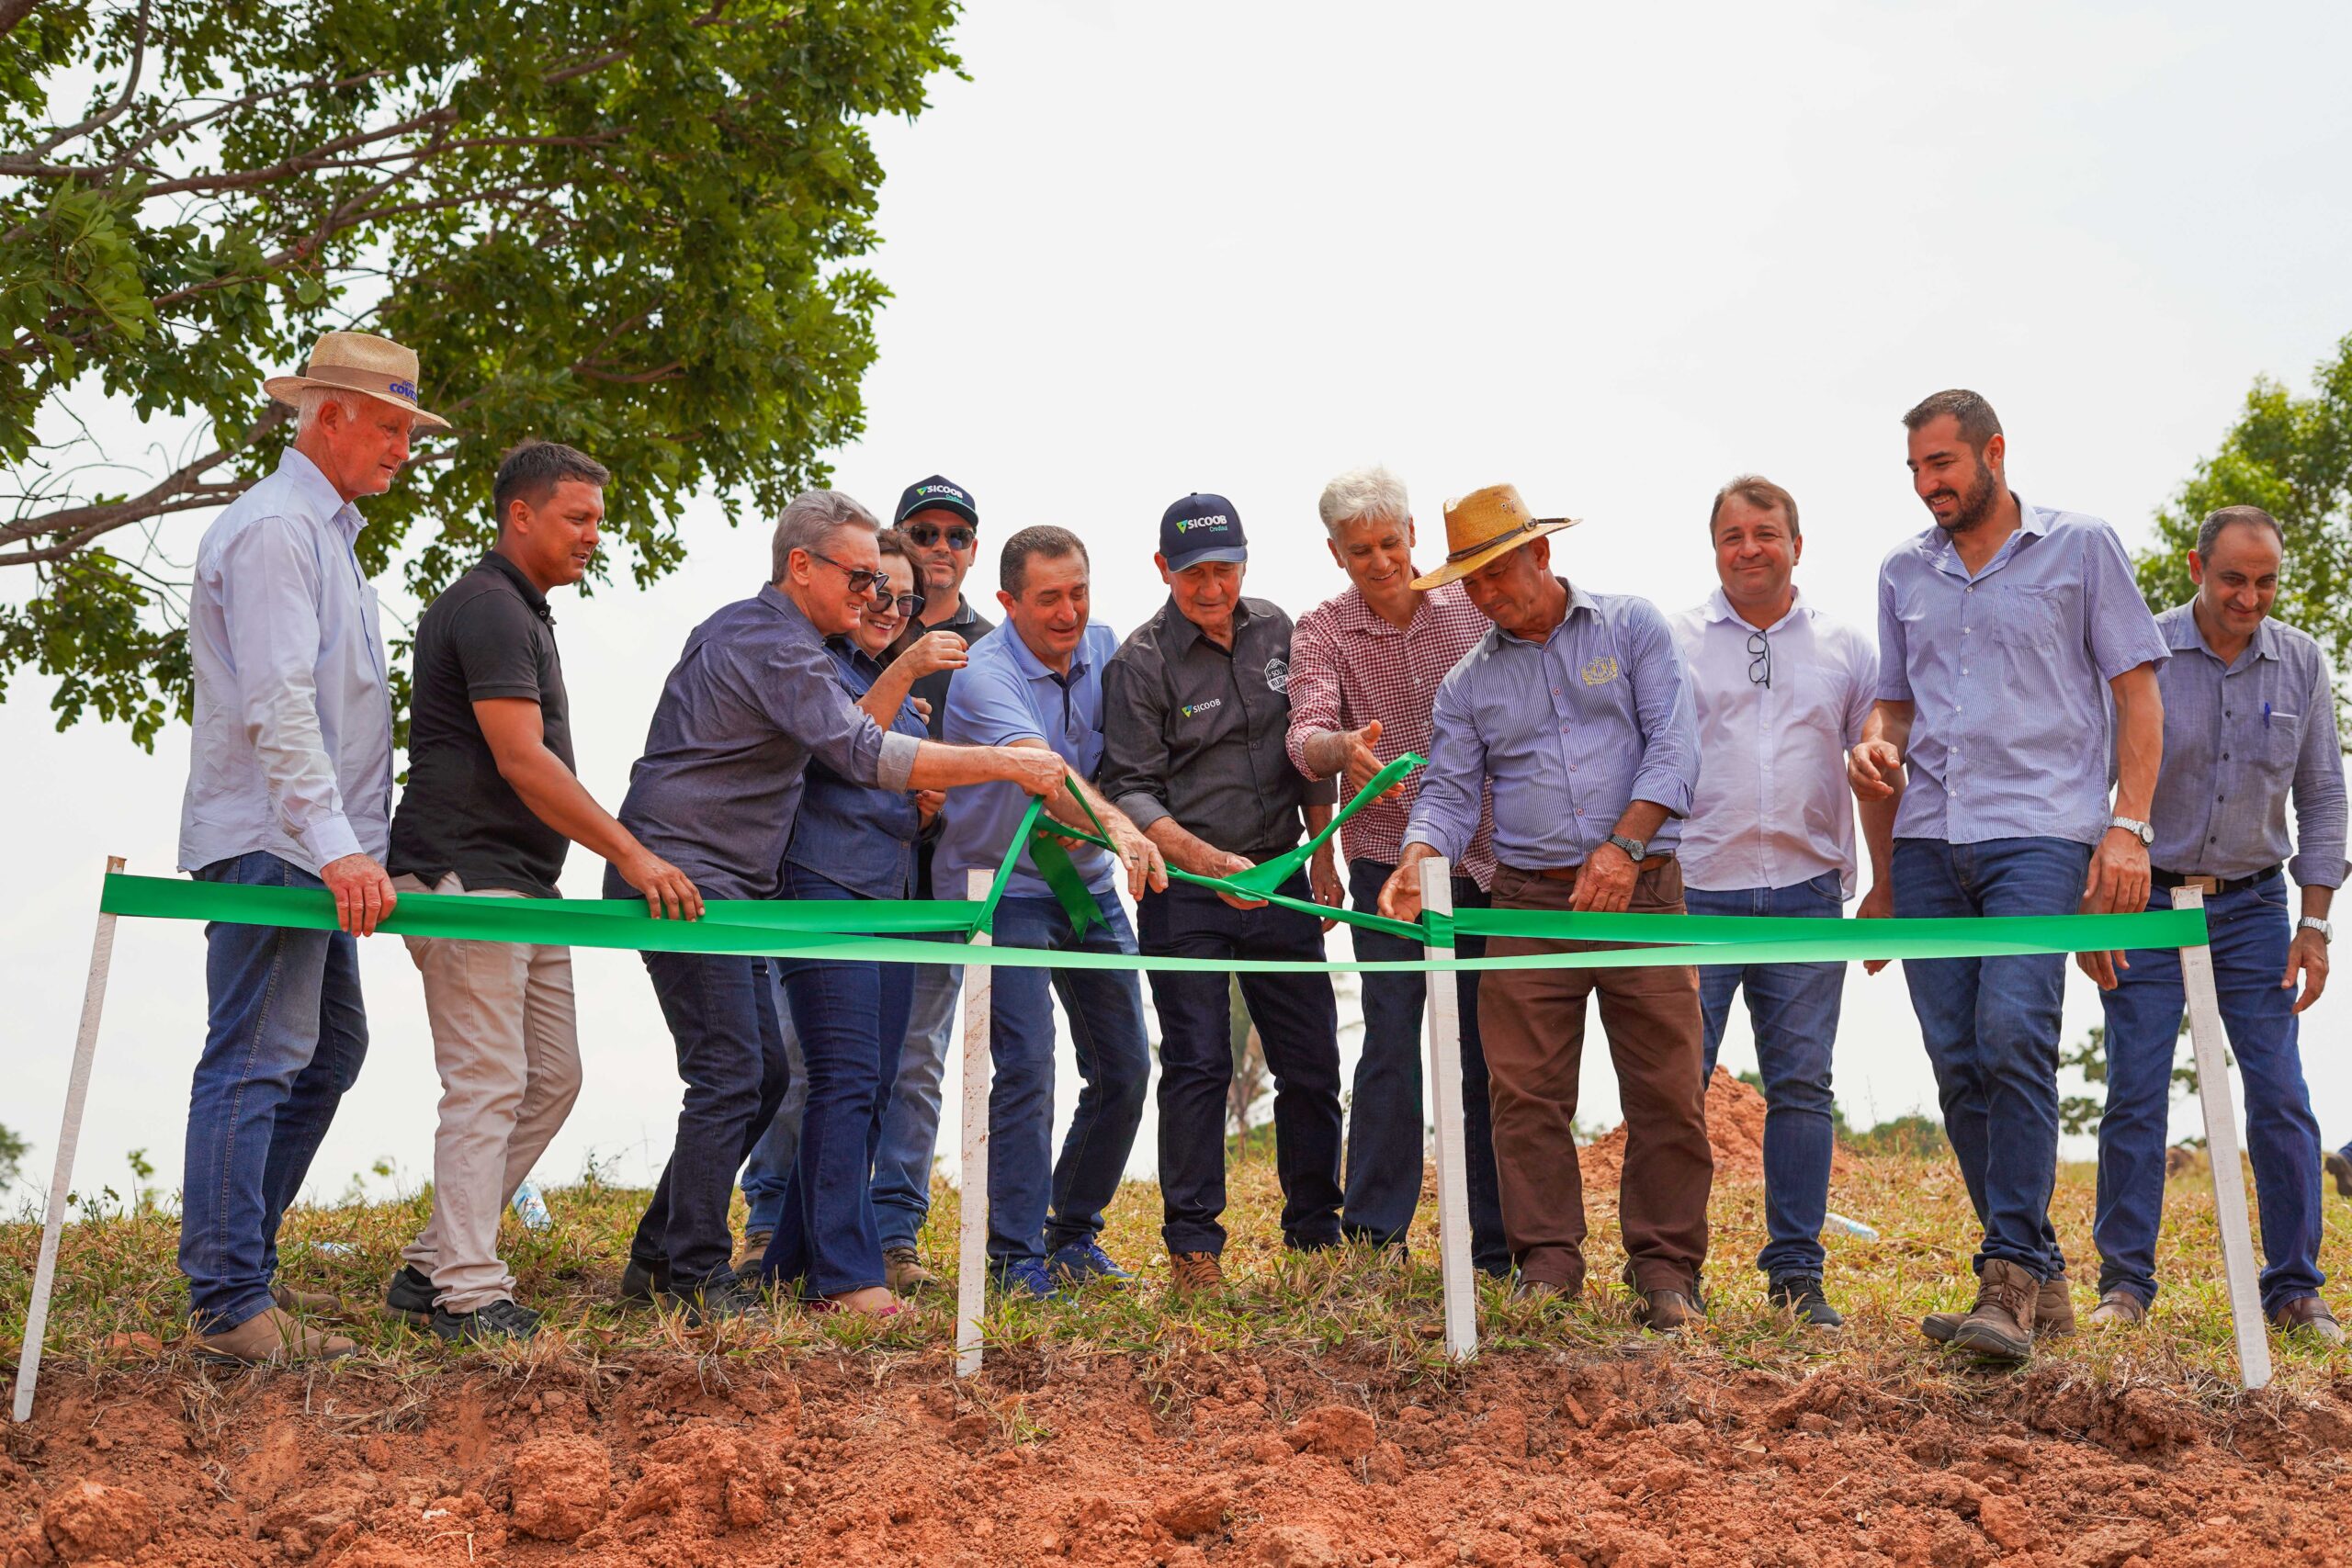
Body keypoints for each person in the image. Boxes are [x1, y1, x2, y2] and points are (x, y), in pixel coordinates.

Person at [608, 491, 1074, 1322]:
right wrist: (1003, 767)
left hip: (733, 890)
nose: (876, 595)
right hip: (683, 879)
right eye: (861, 576)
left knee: (765, 1074)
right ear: (800, 567)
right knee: (736, 1074)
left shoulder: (792, 643)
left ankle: (662, 1254)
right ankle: (694, 1275)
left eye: (881, 582)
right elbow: (861, 751)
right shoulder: (772, 643)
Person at [1849, 389, 2167, 1363]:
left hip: (2040, 832)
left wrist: (2126, 829)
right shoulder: (1902, 570)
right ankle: (2041, 1278)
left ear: (1993, 451)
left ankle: (2008, 1281)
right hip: (1928, 838)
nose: (1927, 485)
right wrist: (1874, 742)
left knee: (2011, 1035)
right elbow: (1894, 708)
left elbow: (2137, 697)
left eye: (1941, 464)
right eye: (1914, 469)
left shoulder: (2081, 548)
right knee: (1956, 1061)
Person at [382, 442, 702, 1344]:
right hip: (463, 874)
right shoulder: (485, 606)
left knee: (551, 1077)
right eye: (577, 517)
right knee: (486, 1082)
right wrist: (633, 855)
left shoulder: (522, 611)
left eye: (597, 520)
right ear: (519, 515)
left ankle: (432, 1260)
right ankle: (469, 1292)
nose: (592, 537)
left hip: (522, 880)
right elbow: (524, 760)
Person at [1378, 482, 1710, 1330]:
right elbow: (1449, 793)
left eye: (1498, 573)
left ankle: (1667, 1272)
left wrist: (1624, 846)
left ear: (1542, 554)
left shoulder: (1632, 626)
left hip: (1642, 889)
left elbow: (1675, 747)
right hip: (1525, 899)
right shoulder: (1467, 683)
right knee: (1523, 1094)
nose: (1487, 595)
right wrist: (1420, 854)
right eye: (1472, 584)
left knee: (1667, 1088)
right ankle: (1549, 1263)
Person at [175, 332, 447, 1364]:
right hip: (277, 842)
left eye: (408, 430)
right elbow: (278, 706)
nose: (401, 449)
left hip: (309, 843)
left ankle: (238, 1271)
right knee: (258, 1055)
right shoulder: (279, 531)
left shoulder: (326, 534)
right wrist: (337, 848)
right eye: (387, 426)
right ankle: (230, 1302)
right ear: (325, 414)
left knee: (327, 1050)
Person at [2080, 506, 2344, 1344]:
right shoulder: (2143, 650)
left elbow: (2323, 797)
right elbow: (2092, 776)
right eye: (2233, 578)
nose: (2250, 596)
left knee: (2279, 1094)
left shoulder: (2300, 660)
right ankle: (2125, 1282)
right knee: (2135, 1089)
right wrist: (2096, 901)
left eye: (2266, 581)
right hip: (2149, 901)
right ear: (2198, 566)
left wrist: (2316, 924)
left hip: (2258, 907)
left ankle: (2296, 1288)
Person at [1100, 494, 1347, 1294]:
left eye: (1227, 569)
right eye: (1196, 572)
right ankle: (1194, 1249)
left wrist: (1323, 851)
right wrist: (1212, 862)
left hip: (1283, 880)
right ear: (1164, 568)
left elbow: (1309, 746)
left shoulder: (1281, 629)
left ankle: (1315, 1236)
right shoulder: (1138, 663)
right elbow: (1131, 792)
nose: (1213, 587)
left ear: (1246, 562)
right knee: (1198, 1062)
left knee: (1311, 1064)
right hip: (1186, 890)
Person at [1670, 475, 1894, 1328]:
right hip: (1697, 896)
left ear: (1797, 544)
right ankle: (1671, 1267)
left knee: (1802, 1085)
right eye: (1732, 534)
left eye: (1766, 532)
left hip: (1807, 897)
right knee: (1676, 1083)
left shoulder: (1846, 647)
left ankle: (1796, 1273)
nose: (1749, 547)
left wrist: (1884, 883)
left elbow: (1876, 759)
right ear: (1715, 549)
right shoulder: (1678, 640)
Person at [1285, 465, 1509, 1275]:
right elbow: (1303, 731)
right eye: (1359, 550)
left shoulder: (1469, 607)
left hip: (1487, 852)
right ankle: (1376, 1235)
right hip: (1384, 855)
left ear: (1413, 535)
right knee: (1390, 1034)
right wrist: (1338, 748)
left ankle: (1497, 1240)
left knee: (1490, 1047)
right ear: (1335, 553)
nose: (1379, 561)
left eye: (1389, 542)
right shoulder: (1322, 630)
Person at [933, 525, 1167, 1296]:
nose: (1068, 613)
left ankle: (1072, 1235)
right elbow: (1051, 779)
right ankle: (1012, 1256)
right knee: (1028, 1064)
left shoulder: (1107, 648)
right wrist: (1124, 828)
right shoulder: (982, 676)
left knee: (1127, 1064)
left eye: (1079, 592)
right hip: (1003, 889)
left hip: (1087, 885)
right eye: (1047, 598)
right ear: (1006, 602)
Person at [741, 527, 965, 1316]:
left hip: (890, 898)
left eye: (905, 599)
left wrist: (924, 809)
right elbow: (843, 756)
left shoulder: (900, 691)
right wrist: (907, 666)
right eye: (875, 589)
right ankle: (846, 1274)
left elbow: (892, 796)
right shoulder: (816, 662)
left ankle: (794, 1266)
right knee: (838, 1079)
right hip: (821, 890)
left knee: (871, 1084)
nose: (888, 607)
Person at [867, 475, 997, 1295]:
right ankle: (776, 1221)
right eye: (925, 532)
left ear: (974, 549)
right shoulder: (865, 626)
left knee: (916, 1059)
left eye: (956, 534)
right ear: (900, 540)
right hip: (842, 876)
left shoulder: (997, 643)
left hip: (947, 877)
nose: (940, 547)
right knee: (813, 1057)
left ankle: (894, 1234)